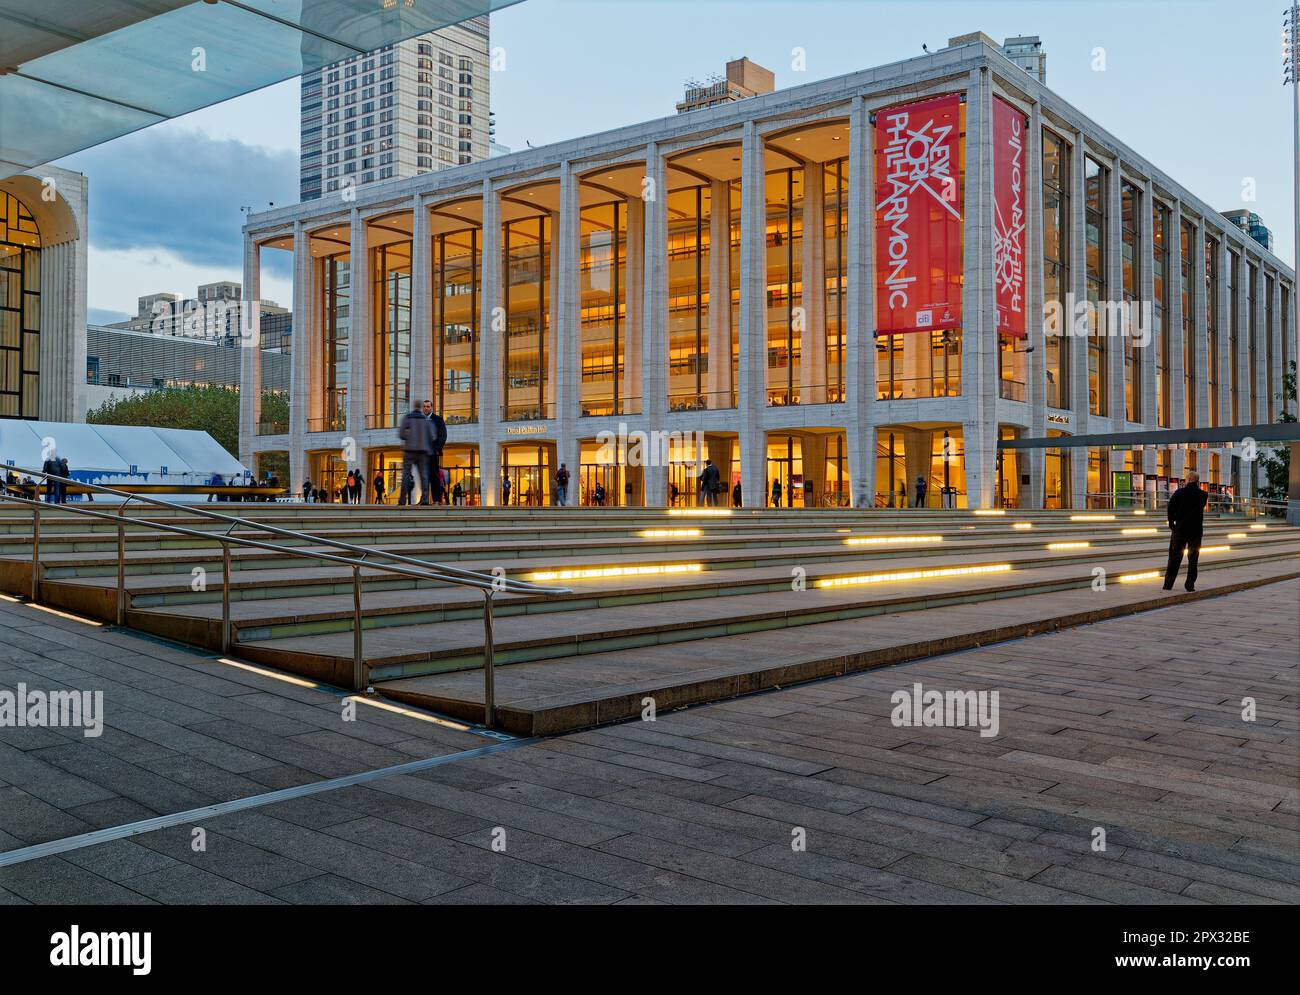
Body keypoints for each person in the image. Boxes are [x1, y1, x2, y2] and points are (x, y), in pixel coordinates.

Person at [1164, 470, 1208, 592]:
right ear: (1197, 481)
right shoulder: (1203, 495)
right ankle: (1190, 585)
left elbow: (1170, 508)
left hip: (1180, 529)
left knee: (1174, 557)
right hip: (1196, 530)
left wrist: (1171, 523)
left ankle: (1168, 584)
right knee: (1193, 558)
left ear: (1187, 480)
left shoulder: (1179, 493)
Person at [398, 401, 435, 505]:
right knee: (424, 475)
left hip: (409, 450)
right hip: (423, 451)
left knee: (406, 474)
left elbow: (401, 434)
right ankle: (425, 499)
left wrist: (409, 437)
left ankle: (402, 500)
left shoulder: (408, 418)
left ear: (414, 407)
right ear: (420, 408)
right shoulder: (426, 421)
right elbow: (433, 436)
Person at [422, 399, 448, 505]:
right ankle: (424, 499)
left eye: (428, 406)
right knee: (423, 476)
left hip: (433, 452)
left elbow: (443, 435)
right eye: (424, 406)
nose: (426, 408)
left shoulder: (438, 419)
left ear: (431, 408)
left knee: (434, 475)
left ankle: (436, 499)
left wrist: (437, 449)